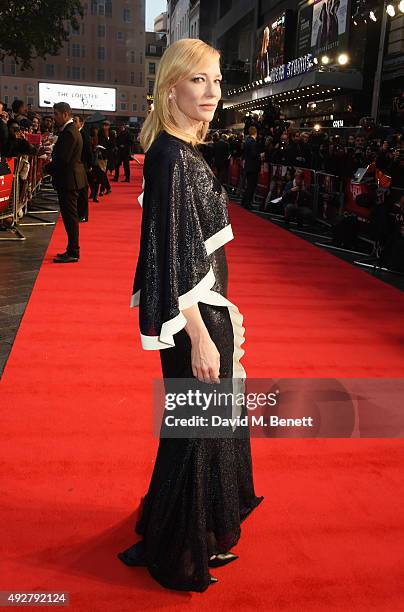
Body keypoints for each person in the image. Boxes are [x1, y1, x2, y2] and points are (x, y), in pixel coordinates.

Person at [118, 38, 263, 593]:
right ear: (171, 85)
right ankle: (180, 548)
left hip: (204, 312)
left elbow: (178, 248)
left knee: (193, 431)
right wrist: (200, 336)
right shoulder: (172, 158)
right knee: (194, 434)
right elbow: (168, 255)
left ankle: (178, 530)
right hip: (195, 321)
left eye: (217, 81)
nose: (212, 92)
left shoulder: (177, 151)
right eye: (198, 80)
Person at [46, 102, 87, 263]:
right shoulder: (70, 131)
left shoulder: (69, 132)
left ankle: (73, 251)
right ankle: (72, 249)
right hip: (70, 179)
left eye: (56, 114)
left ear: (65, 114)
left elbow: (63, 159)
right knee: (70, 217)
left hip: (69, 180)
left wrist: (47, 168)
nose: (54, 118)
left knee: (70, 218)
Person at [73, 115, 93, 222]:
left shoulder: (84, 135)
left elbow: (88, 151)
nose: (74, 123)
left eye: (75, 121)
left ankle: (84, 215)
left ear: (82, 123)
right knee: (79, 192)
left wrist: (89, 166)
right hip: (78, 166)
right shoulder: (75, 133)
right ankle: (79, 213)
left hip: (83, 166)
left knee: (83, 192)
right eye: (73, 121)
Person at [241, 125, 264, 209]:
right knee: (251, 186)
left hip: (248, 166)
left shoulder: (247, 141)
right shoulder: (253, 142)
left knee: (249, 186)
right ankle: (247, 203)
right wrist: (260, 155)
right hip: (253, 167)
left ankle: (244, 201)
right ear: (256, 133)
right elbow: (254, 154)